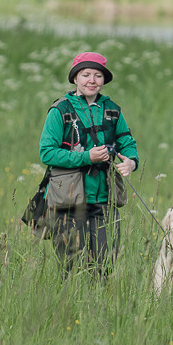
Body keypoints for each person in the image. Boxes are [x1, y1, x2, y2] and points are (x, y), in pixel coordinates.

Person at [38, 52, 139, 274]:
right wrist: (87, 158)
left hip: (105, 201)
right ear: (75, 78)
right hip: (68, 203)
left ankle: (100, 308)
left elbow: (125, 140)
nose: (92, 80)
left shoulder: (112, 109)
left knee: (104, 268)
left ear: (104, 80)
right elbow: (46, 153)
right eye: (85, 75)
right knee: (71, 270)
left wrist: (131, 162)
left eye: (98, 75)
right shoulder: (60, 110)